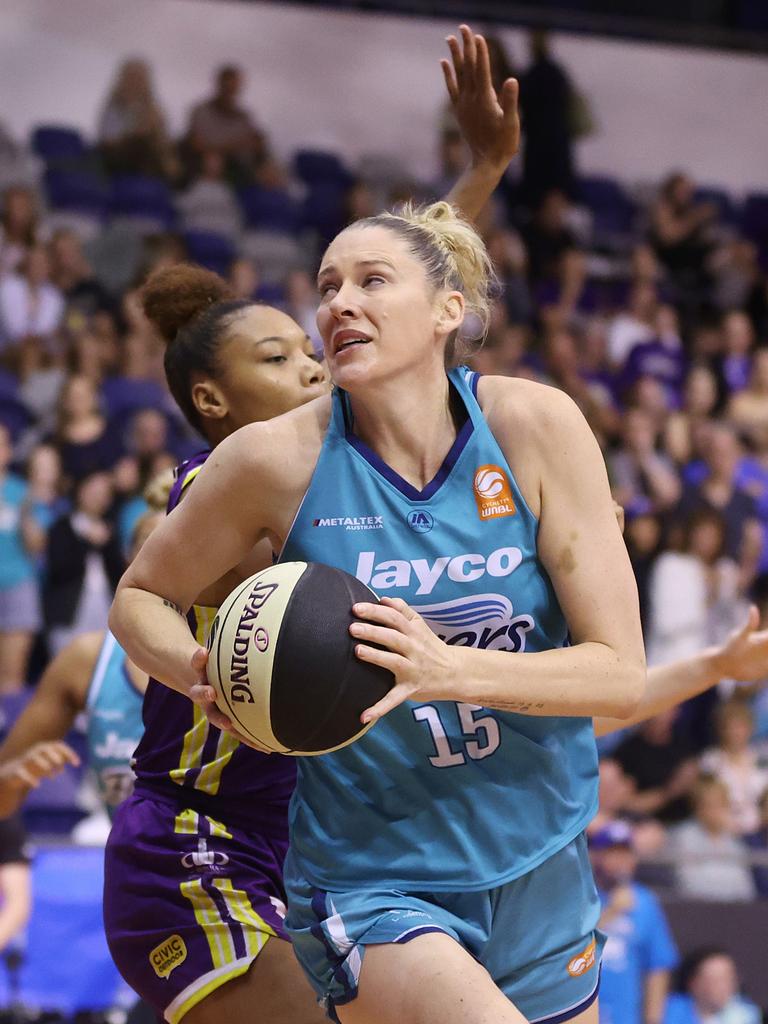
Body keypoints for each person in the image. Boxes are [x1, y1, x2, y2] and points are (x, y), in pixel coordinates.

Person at [111, 91, 645, 1024]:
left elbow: (621, 676)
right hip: (349, 868)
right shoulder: (263, 465)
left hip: (537, 858)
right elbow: (139, 595)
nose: (336, 310)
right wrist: (204, 671)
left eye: (364, 286)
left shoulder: (533, 424)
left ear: (451, 310)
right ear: (210, 399)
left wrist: (448, 669)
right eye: (325, 289)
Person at [0, 510, 161, 821]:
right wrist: (17, 775)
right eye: (151, 545)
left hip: (236, 863)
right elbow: (3, 799)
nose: (166, 558)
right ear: (129, 561)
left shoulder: (234, 659)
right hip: (133, 864)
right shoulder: (88, 659)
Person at [589, 820, 678, 1024]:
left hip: (626, 1016)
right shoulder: (581, 895)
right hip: (584, 1012)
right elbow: (570, 948)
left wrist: (653, 1019)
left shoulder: (644, 901)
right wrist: (611, 912)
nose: (622, 861)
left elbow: (658, 965)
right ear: (594, 856)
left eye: (626, 853)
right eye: (613, 852)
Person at [44, 470, 125, 656]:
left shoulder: (111, 528)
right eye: (94, 491)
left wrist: (106, 544)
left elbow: (119, 573)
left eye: (105, 494)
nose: (99, 498)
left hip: (104, 610)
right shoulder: (61, 527)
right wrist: (86, 541)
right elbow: (59, 569)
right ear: (80, 490)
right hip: (69, 613)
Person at [0, 423, 42, 693]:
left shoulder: (22, 491)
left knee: (12, 678)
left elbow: (36, 546)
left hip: (17, 585)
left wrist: (26, 515)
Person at [670, 775, 756, 902]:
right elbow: (689, 884)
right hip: (698, 909)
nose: (715, 811)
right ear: (697, 807)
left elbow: (745, 887)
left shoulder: (735, 840)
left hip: (735, 910)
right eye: (709, 805)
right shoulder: (682, 837)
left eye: (721, 804)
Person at [98, 58, 177, 180]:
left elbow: (163, 136)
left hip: (148, 155)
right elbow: (109, 139)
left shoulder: (151, 106)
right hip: (118, 156)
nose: (135, 82)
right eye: (132, 77)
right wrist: (138, 131)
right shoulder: (115, 105)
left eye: (139, 78)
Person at [663, 949, 760, 1024]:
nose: (724, 986)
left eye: (729, 978)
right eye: (715, 980)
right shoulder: (667, 1011)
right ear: (693, 984)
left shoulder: (746, 1014)